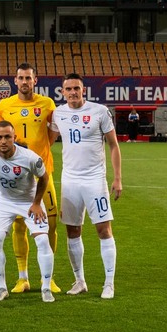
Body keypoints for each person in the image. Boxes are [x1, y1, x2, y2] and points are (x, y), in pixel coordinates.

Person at [52, 74, 122, 300]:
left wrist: (117, 178)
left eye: (76, 88)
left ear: (84, 90)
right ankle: (80, 281)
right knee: (72, 231)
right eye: (68, 89)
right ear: (62, 92)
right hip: (70, 181)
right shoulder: (58, 113)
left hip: (94, 180)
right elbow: (46, 140)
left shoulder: (99, 111)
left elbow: (113, 145)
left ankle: (109, 283)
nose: (73, 92)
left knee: (103, 230)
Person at [0, 62, 59, 294]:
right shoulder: (5, 104)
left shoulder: (47, 103)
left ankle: (48, 278)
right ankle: (23, 278)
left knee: (50, 224)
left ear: (35, 80)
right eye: (20, 78)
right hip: (16, 176)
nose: (24, 82)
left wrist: (36, 158)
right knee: (19, 225)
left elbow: (52, 135)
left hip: (42, 173)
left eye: (28, 78)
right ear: (15, 80)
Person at [0, 120, 55, 303]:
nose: (3, 141)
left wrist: (36, 203)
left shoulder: (29, 157)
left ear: (14, 138)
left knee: (42, 240)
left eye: (7, 137)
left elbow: (44, 177)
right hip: (4, 202)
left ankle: (46, 288)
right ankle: (1, 287)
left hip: (29, 201)